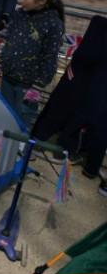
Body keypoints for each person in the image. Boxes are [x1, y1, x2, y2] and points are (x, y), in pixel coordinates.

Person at [31, 15, 107, 191]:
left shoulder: (86, 52)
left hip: (85, 67)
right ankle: (85, 162)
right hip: (92, 77)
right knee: (94, 115)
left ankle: (44, 141)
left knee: (63, 103)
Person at [0, 0, 64, 129]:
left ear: (42, 0)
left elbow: (50, 57)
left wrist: (38, 86)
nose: (20, 0)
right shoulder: (19, 15)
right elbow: (9, 42)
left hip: (28, 85)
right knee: (5, 117)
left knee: (21, 122)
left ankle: (19, 150)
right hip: (8, 77)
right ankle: (1, 148)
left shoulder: (53, 24)